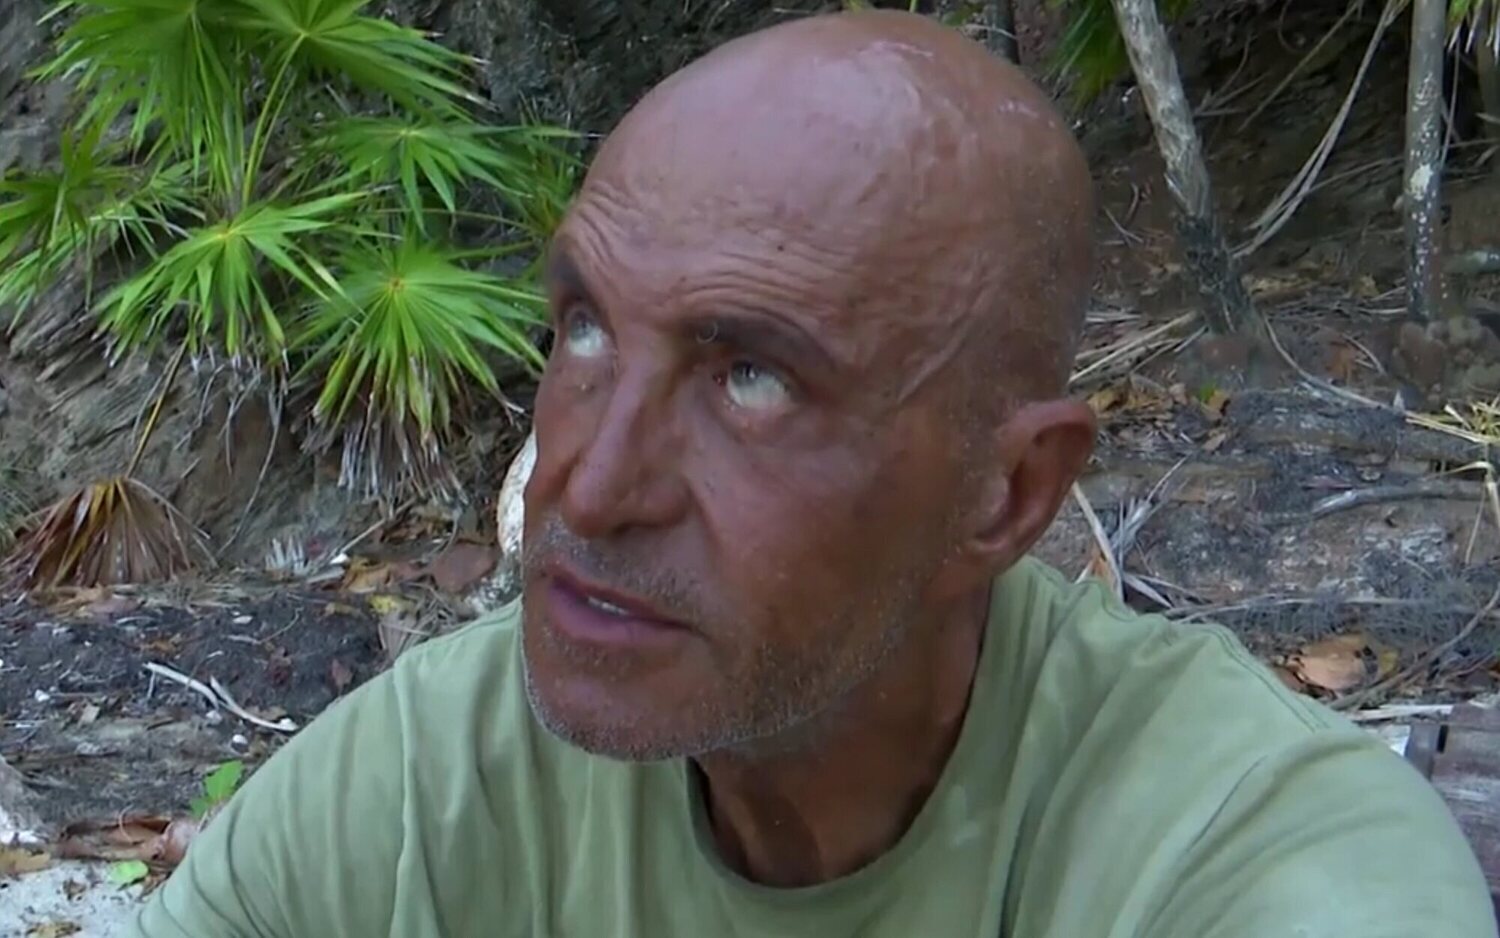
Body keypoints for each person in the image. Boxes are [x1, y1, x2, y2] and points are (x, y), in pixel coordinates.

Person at [127, 9, 1495, 937]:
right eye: (586, 328)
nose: (587, 489)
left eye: (752, 378)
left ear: (1007, 494)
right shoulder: (431, 788)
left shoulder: (1239, 850)